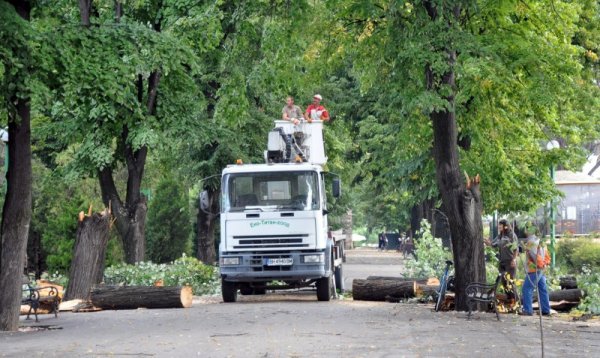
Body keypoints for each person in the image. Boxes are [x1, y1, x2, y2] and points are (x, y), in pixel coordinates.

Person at [520, 229, 551, 316]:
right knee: (542, 289)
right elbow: (546, 254)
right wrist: (544, 264)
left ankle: (528, 310)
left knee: (526, 288)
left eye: (525, 229)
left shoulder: (531, 241)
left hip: (534, 269)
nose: (524, 231)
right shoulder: (540, 240)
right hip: (541, 268)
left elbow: (534, 255)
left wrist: (539, 265)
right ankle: (545, 310)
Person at [487, 219, 519, 302]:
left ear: (506, 226)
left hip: (510, 262)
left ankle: (516, 302)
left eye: (500, 226)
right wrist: (488, 243)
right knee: (503, 281)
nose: (499, 227)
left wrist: (514, 260)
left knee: (510, 282)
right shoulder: (500, 235)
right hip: (502, 262)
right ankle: (510, 300)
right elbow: (493, 244)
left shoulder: (511, 235)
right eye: (499, 226)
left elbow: (516, 249)